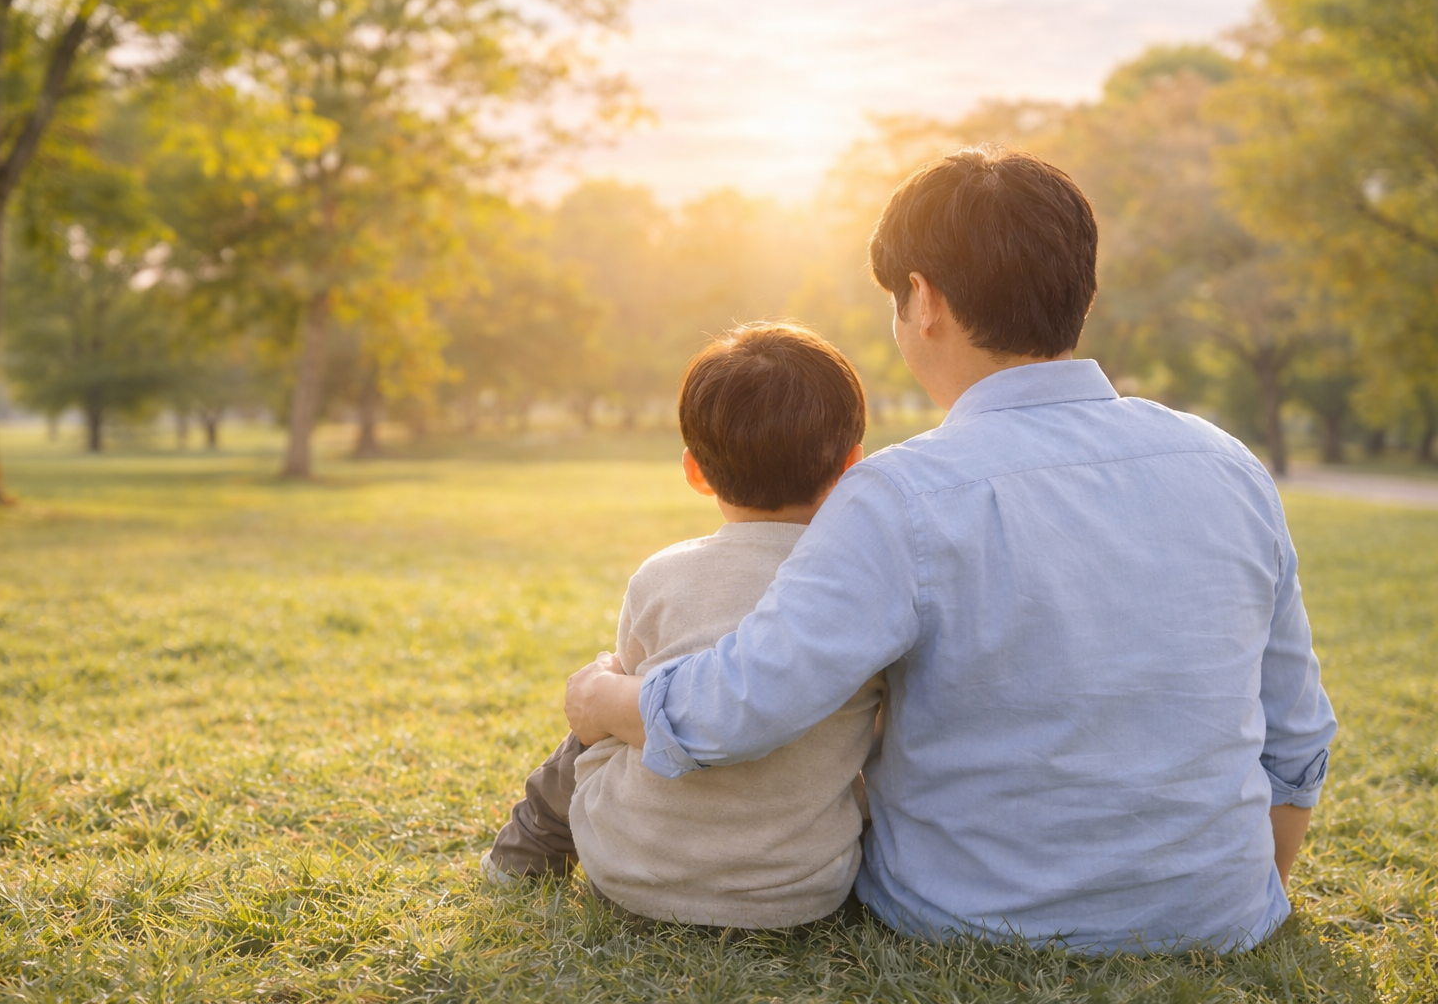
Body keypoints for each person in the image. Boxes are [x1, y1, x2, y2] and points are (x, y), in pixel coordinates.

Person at [564, 147, 1337, 953]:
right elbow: (1298, 728)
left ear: (924, 299)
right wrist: (1244, 898)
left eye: (895, 302)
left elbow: (743, 703)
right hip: (1220, 912)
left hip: (971, 917)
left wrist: (604, 701)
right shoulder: (1228, 465)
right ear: (1081, 289)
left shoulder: (900, 494)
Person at [484, 322, 885, 929]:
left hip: (629, 876)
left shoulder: (660, 575)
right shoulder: (864, 587)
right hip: (797, 898)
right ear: (852, 466)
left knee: (607, 698)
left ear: (695, 471)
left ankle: (522, 854)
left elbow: (618, 721)